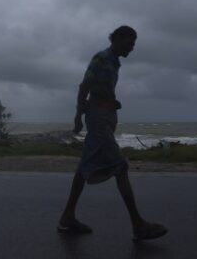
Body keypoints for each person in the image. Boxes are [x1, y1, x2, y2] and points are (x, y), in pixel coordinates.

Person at [58, 25, 167, 241]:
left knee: (84, 168)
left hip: (106, 117)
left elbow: (100, 88)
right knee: (121, 166)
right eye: (129, 43)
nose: (132, 48)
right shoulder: (101, 58)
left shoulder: (115, 62)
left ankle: (67, 217)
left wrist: (111, 101)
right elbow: (84, 87)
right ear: (116, 39)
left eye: (134, 44)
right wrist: (78, 116)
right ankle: (138, 225)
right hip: (98, 118)